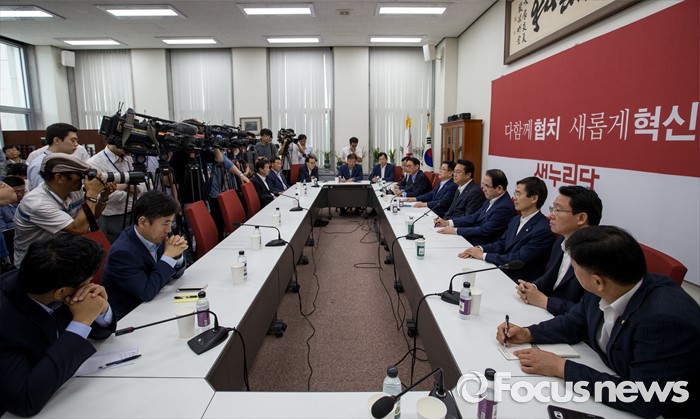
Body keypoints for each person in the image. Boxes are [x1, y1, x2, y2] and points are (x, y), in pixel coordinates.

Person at [497, 226, 699, 418]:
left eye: (574, 268)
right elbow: (573, 323)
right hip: (610, 373)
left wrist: (560, 367)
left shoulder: (664, 320)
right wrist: (529, 333)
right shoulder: (608, 285)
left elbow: (643, 397)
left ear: (597, 281)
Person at [0, 233, 116, 417]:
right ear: (60, 292)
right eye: (88, 282)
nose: (90, 285)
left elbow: (101, 333)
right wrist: (81, 323)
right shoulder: (5, 322)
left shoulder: (49, 283)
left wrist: (101, 308)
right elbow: (24, 401)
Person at [13, 154, 115, 266]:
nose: (83, 179)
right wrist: (92, 194)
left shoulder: (73, 190)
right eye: (80, 175)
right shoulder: (37, 203)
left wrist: (103, 197)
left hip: (61, 254)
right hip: (36, 262)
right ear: (59, 178)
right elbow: (79, 229)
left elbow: (90, 218)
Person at [101, 190, 188, 320]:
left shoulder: (160, 234)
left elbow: (175, 274)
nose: (169, 229)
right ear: (142, 222)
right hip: (132, 317)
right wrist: (169, 257)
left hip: (158, 304)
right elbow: (147, 292)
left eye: (171, 222)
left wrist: (177, 256)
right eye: (165, 223)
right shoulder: (122, 253)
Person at [517, 186, 603, 315]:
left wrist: (546, 301)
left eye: (557, 210)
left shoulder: (597, 257)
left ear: (581, 218)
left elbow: (589, 313)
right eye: (552, 209)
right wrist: (532, 287)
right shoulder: (561, 242)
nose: (551, 215)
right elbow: (550, 277)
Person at [459, 176, 554, 282]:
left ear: (534, 198)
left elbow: (519, 258)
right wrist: (479, 249)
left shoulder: (543, 229)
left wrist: (484, 256)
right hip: (501, 271)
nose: (514, 198)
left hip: (518, 281)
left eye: (518, 194)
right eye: (515, 193)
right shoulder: (516, 219)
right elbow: (501, 244)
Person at [435, 169, 515, 246]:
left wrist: (456, 230)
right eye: (483, 184)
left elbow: (484, 230)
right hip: (473, 238)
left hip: (482, 245)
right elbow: (474, 217)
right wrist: (448, 222)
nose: (483, 189)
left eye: (487, 186)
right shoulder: (492, 198)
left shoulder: (504, 208)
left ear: (499, 189)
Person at [87, 144, 148, 243]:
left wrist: (123, 187)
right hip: (113, 218)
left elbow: (147, 184)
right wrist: (128, 187)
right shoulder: (95, 163)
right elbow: (99, 194)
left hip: (137, 213)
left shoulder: (131, 158)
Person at [26, 123, 80, 191]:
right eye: (73, 140)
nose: (76, 144)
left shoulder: (65, 160)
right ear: (57, 140)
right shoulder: (40, 164)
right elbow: (42, 193)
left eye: (76, 141)